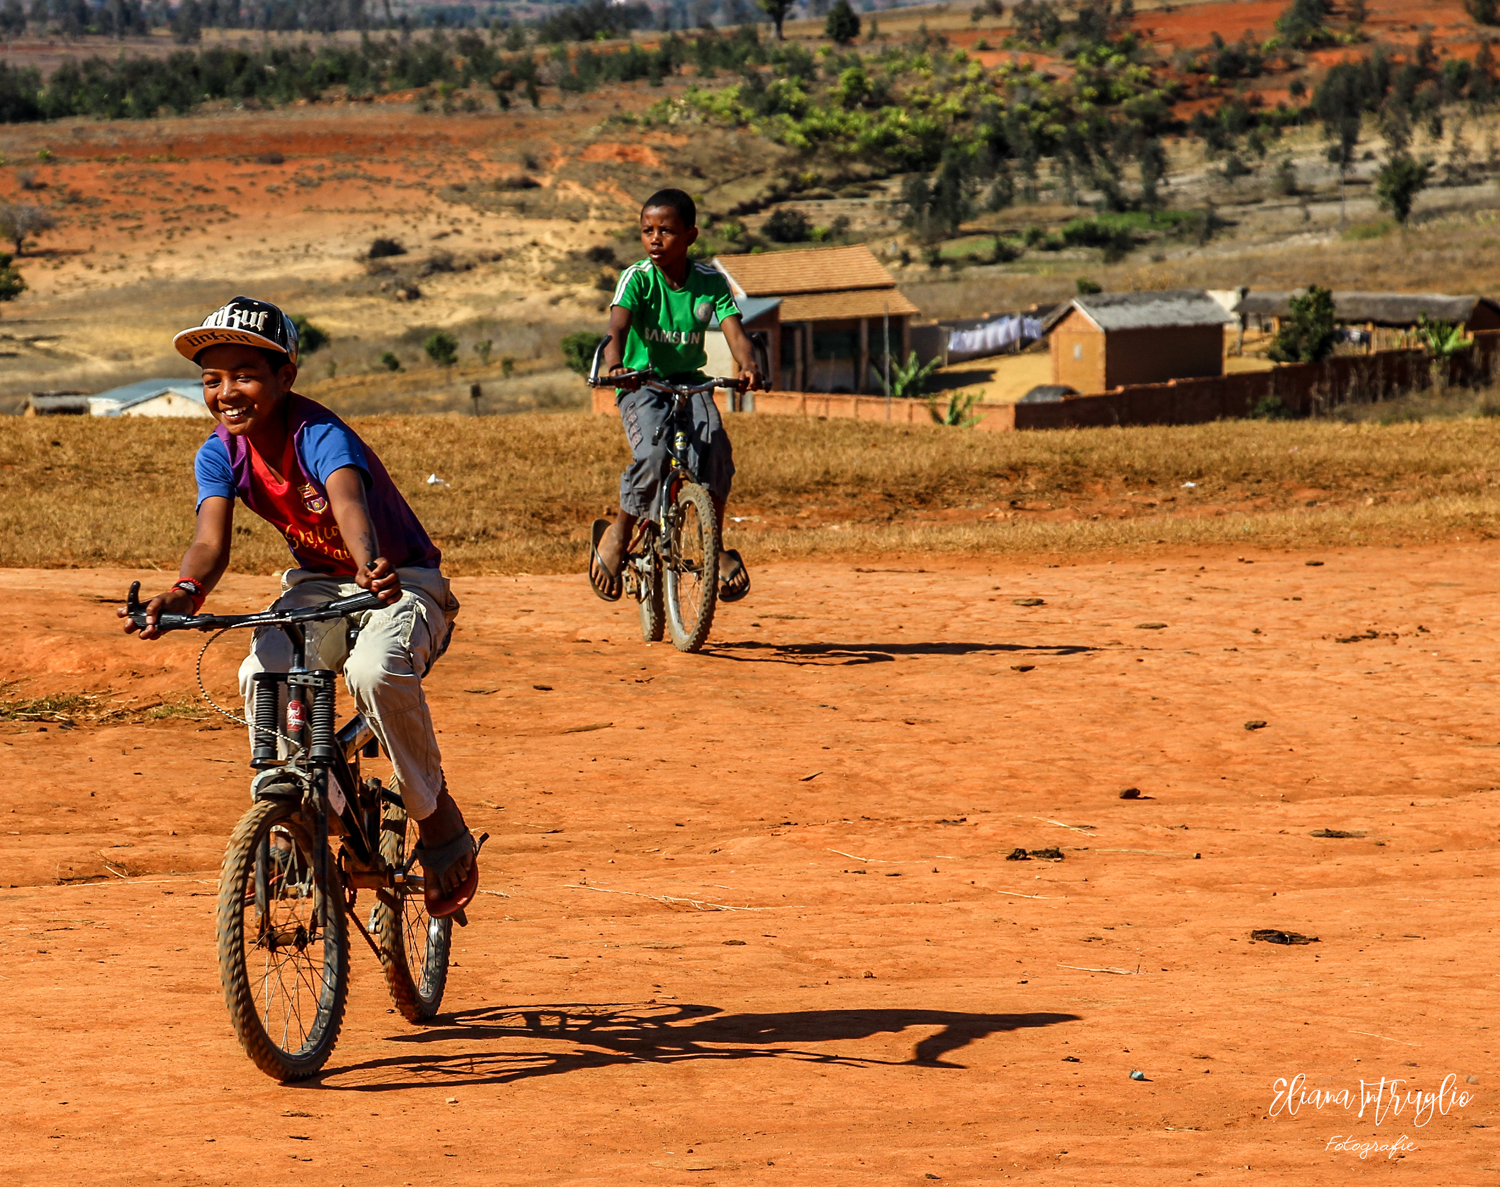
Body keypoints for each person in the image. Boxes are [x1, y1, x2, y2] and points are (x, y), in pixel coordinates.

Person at [119, 296, 480, 917]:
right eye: (212, 379)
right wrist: (184, 591)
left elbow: (347, 503)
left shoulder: (320, 434)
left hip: (400, 581)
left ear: (286, 377)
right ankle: (289, 818)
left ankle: (439, 820)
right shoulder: (219, 452)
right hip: (317, 583)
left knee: (375, 672)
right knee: (260, 671)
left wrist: (370, 562)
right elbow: (211, 542)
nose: (227, 392)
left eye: (245, 375)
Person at [589, 187, 762, 603]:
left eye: (666, 230)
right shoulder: (638, 279)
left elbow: (736, 332)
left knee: (715, 449)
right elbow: (616, 331)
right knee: (651, 455)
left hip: (690, 381)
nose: (654, 239)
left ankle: (713, 546)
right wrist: (616, 368)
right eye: (647, 230)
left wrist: (749, 366)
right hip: (641, 384)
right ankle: (619, 533)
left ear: (691, 235)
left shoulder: (709, 282)